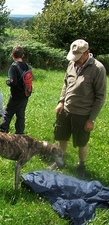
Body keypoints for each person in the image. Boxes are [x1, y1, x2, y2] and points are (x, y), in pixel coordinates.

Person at [49, 39, 107, 179]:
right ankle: (60, 161)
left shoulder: (98, 69)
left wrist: (91, 119)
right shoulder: (71, 64)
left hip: (83, 114)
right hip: (66, 110)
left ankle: (81, 165)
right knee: (62, 137)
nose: (75, 60)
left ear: (87, 53)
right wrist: (61, 101)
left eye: (78, 57)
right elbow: (65, 84)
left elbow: (100, 97)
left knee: (82, 142)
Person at [0, 46, 31, 134]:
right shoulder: (27, 66)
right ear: (23, 55)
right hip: (25, 94)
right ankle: (20, 134)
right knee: (20, 115)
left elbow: (13, 82)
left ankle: (3, 132)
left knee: (8, 113)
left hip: (16, 95)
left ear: (12, 55)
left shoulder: (14, 67)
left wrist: (7, 81)